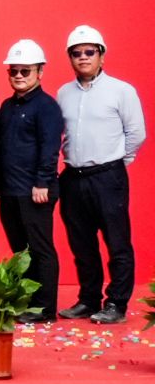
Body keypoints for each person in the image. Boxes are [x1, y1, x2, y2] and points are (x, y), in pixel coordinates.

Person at [56, 24, 144, 324]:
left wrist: (116, 163)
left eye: (89, 52)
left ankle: (117, 303)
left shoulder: (121, 91)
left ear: (101, 56)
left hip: (108, 176)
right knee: (81, 243)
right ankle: (88, 299)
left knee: (117, 242)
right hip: (72, 176)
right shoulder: (64, 93)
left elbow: (136, 134)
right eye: (76, 53)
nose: (83, 57)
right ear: (70, 58)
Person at [0, 39, 64, 323]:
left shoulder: (47, 107)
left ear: (40, 72)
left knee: (40, 249)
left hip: (35, 190)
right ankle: (27, 302)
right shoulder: (7, 106)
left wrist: (43, 182)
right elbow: (2, 147)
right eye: (14, 71)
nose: (19, 76)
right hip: (10, 191)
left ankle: (45, 308)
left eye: (26, 71)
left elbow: (50, 147)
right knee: (21, 251)